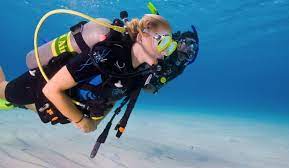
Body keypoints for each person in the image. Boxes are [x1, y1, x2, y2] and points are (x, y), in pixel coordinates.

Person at [0, 14, 177, 134]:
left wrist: (95, 121)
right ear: (142, 35)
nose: (165, 53)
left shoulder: (139, 74)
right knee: (4, 90)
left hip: (60, 105)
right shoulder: (106, 54)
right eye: (164, 43)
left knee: (22, 105)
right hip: (39, 85)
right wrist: (81, 121)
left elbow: (113, 96)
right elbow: (51, 90)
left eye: (170, 47)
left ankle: (11, 104)